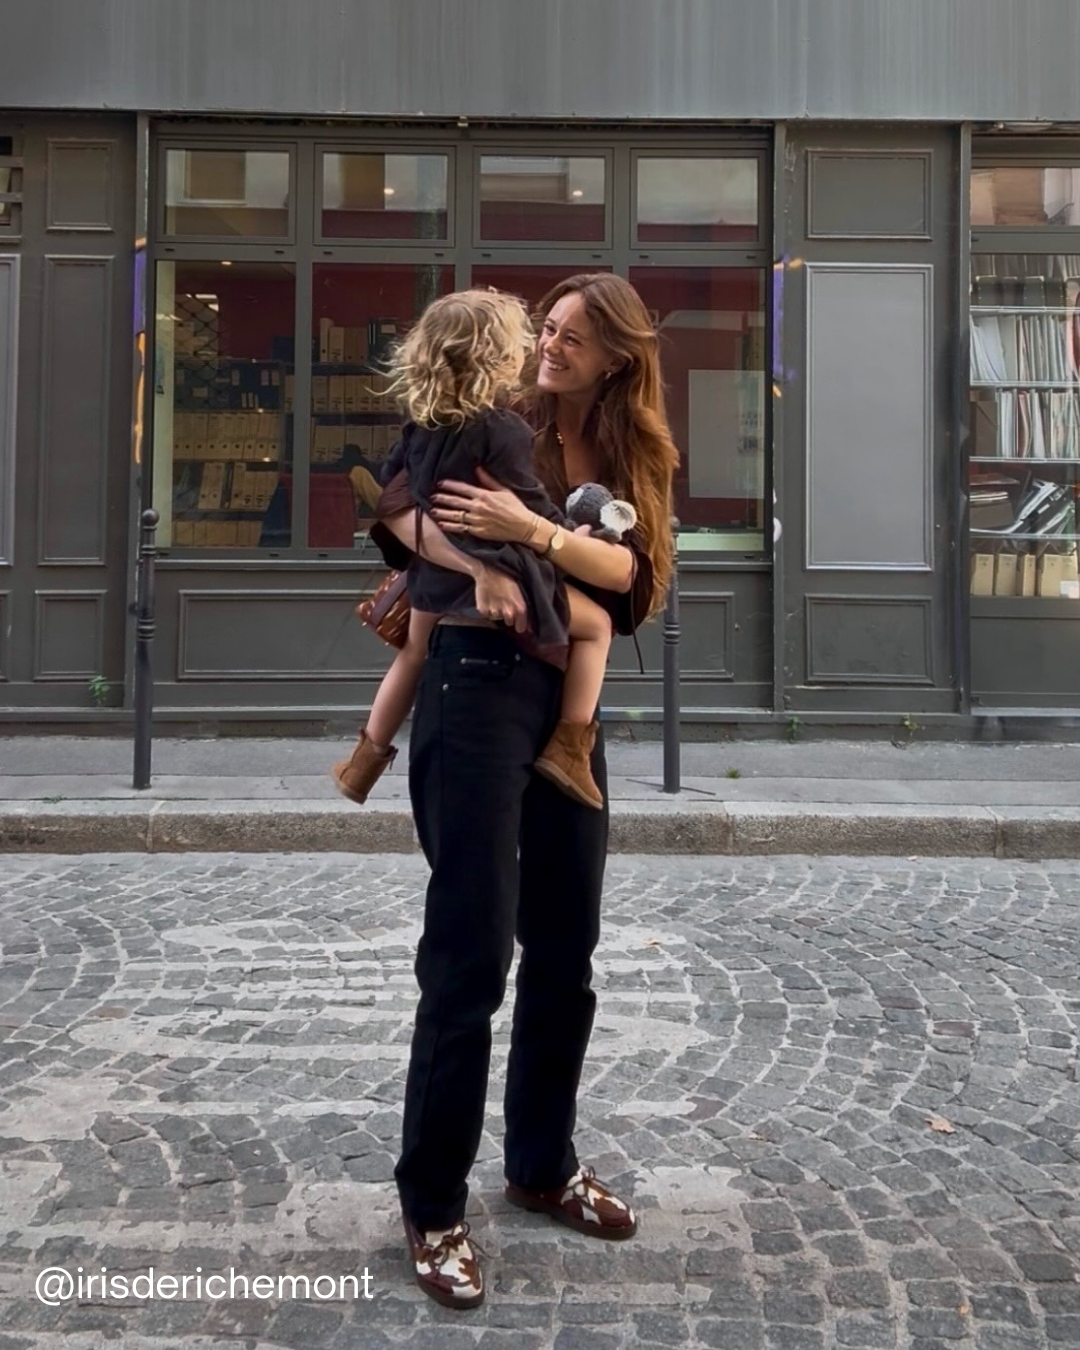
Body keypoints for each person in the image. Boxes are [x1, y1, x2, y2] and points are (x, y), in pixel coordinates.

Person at [372, 274, 678, 1310]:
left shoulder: (637, 453)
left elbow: (634, 587)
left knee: (565, 946)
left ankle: (542, 1165)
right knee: (470, 951)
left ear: (617, 359)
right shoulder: (493, 408)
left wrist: (533, 535)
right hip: (474, 683)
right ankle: (432, 1204)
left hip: (567, 713)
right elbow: (397, 509)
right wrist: (479, 566)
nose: (550, 346)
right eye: (546, 328)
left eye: (574, 337)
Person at [332, 288, 618, 812]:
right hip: (499, 569)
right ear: (497, 359)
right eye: (523, 342)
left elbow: (392, 491)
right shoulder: (503, 429)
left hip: (433, 576)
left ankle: (364, 761)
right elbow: (525, 500)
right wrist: (564, 534)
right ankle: (571, 747)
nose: (533, 349)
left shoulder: (422, 424)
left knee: (413, 653)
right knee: (596, 625)